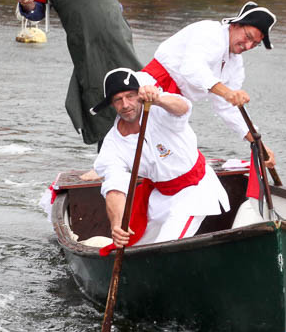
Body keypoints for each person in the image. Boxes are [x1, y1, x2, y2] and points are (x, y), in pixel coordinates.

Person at [142, 1, 277, 224]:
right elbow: (192, 68)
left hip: (176, 105)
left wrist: (257, 142)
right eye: (249, 36)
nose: (248, 45)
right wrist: (225, 91)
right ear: (236, 25)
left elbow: (228, 107)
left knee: (175, 159)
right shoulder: (210, 32)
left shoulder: (235, 64)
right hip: (153, 91)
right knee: (174, 160)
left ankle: (167, 217)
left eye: (255, 43)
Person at [16, 0, 140, 147]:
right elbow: (36, 12)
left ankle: (148, 141)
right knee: (94, 92)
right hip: (81, 42)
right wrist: (27, 3)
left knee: (128, 83)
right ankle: (109, 153)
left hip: (109, 33)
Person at [92, 69, 230, 249]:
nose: (125, 104)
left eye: (130, 96)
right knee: (131, 247)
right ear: (111, 104)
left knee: (163, 247)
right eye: (118, 99)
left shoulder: (159, 110)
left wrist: (158, 99)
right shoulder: (112, 144)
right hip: (159, 197)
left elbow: (183, 108)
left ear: (139, 95)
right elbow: (115, 189)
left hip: (195, 192)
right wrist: (117, 225)